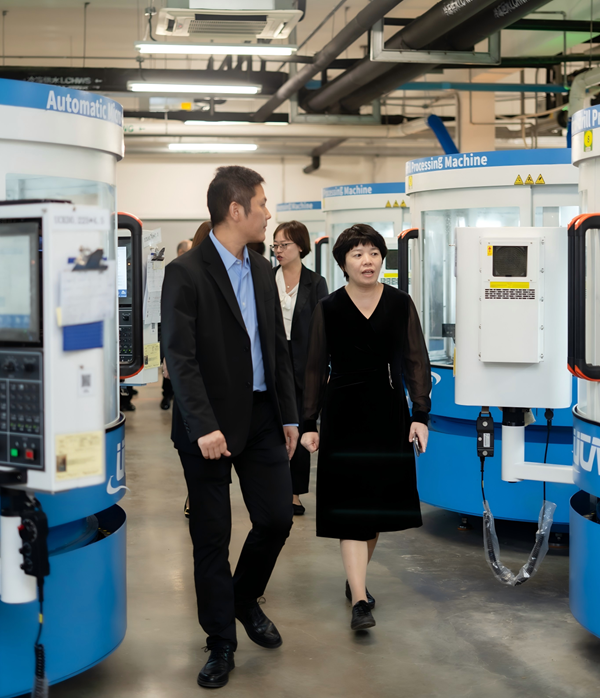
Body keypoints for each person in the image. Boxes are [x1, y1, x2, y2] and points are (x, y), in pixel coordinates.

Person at [161, 166, 299, 689]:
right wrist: (202, 424)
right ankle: (220, 640)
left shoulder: (262, 268)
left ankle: (243, 597)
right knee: (211, 536)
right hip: (208, 427)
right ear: (236, 210)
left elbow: (276, 347)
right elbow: (180, 355)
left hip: (262, 417)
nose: (269, 214)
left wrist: (289, 415)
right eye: (262, 204)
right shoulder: (186, 272)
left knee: (276, 519)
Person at [301, 224, 431, 632]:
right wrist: (309, 421)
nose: (367, 261)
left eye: (373, 252)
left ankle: (354, 578)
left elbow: (416, 360)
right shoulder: (328, 307)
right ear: (343, 263)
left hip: (389, 413)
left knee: (375, 509)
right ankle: (360, 599)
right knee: (351, 508)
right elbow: (314, 366)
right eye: (357, 254)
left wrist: (420, 415)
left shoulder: (400, 303)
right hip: (343, 415)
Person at [272, 220, 328, 515]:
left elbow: (324, 328)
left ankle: (293, 492)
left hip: (304, 363)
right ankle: (273, 488)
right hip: (272, 361)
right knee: (271, 426)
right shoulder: (266, 278)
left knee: (300, 423)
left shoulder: (315, 282)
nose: (278, 250)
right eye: (275, 245)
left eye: (284, 244)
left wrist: (324, 367)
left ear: (301, 247)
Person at [160, 238, 194, 410]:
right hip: (173, 327)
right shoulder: (173, 270)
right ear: (181, 252)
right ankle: (166, 396)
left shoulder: (192, 270)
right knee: (170, 365)